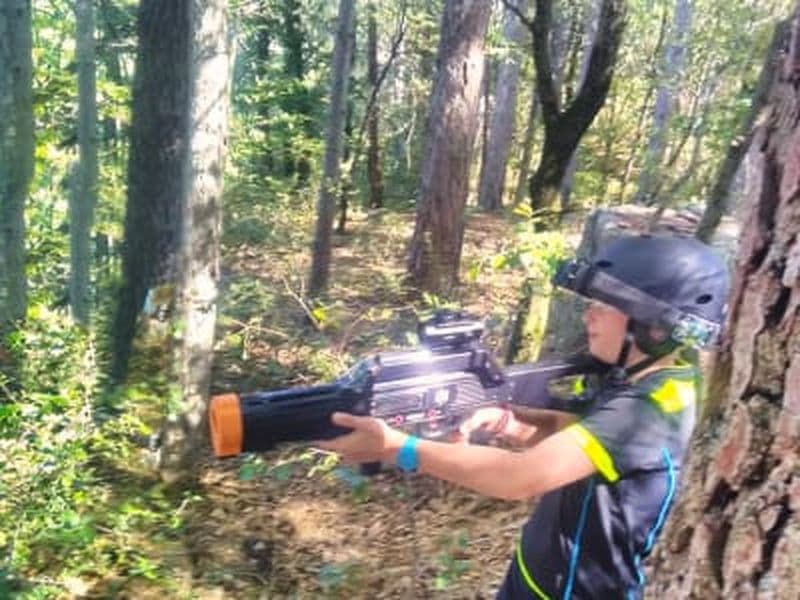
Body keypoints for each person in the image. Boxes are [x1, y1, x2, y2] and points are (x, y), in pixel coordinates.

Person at [317, 234, 730, 599]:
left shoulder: (650, 408)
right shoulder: (647, 379)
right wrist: (509, 423)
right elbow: (585, 441)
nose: (589, 315)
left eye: (605, 306)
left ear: (652, 325)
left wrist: (397, 448)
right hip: (537, 579)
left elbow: (520, 479)